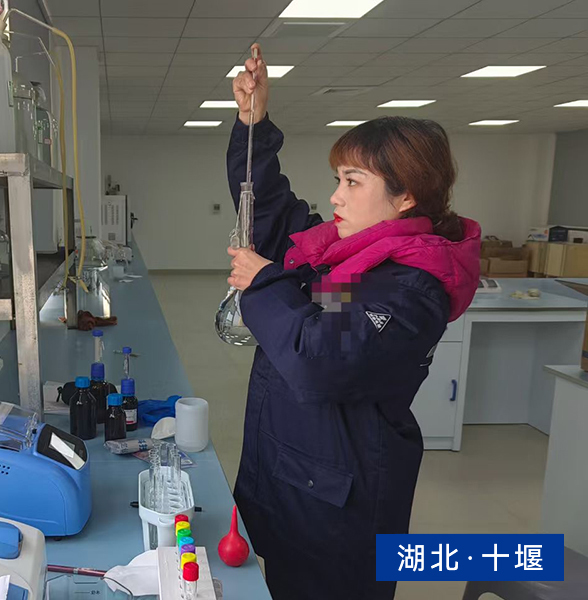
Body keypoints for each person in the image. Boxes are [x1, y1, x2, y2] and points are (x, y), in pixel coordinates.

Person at [226, 44, 481, 600]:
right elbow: (274, 215)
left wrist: (263, 282)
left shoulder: (409, 288)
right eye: (338, 179)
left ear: (406, 195)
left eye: (352, 181)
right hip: (300, 474)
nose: (336, 195)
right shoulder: (348, 255)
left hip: (341, 502)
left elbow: (317, 360)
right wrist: (254, 125)